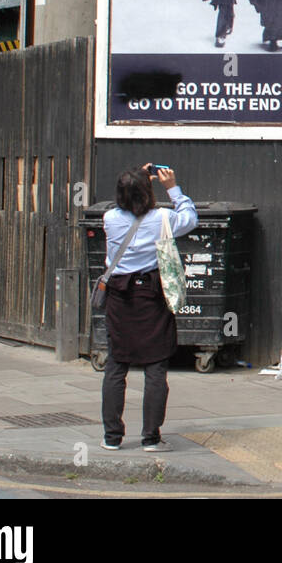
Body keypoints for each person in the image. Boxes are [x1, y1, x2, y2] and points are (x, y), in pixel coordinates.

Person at [101, 164, 197, 451]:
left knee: (116, 364)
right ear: (148, 192)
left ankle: (112, 437)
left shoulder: (109, 219)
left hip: (119, 296)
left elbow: (127, 201)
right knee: (155, 366)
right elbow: (190, 218)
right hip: (151, 295)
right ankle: (151, 437)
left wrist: (137, 177)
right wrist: (172, 188)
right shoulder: (163, 218)